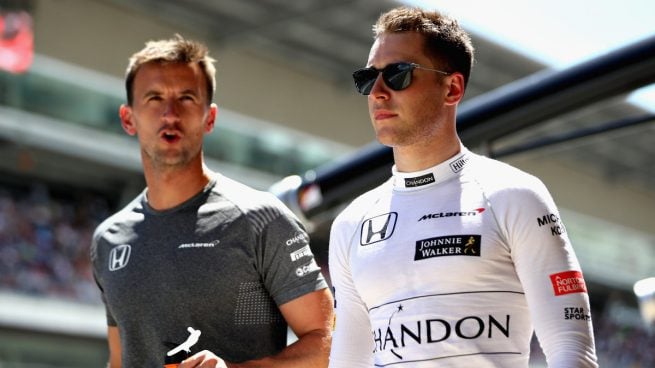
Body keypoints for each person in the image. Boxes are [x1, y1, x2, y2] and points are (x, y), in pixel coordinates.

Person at [328, 6, 598, 368]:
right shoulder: (352, 222)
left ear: (452, 88)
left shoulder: (514, 195)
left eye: (397, 74)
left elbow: (572, 350)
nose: (376, 92)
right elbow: (348, 361)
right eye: (367, 78)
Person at [90, 35, 333, 368]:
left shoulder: (260, 219)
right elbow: (119, 360)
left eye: (186, 98)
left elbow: (327, 342)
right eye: (155, 98)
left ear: (210, 117)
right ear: (128, 118)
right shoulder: (108, 238)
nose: (170, 113)